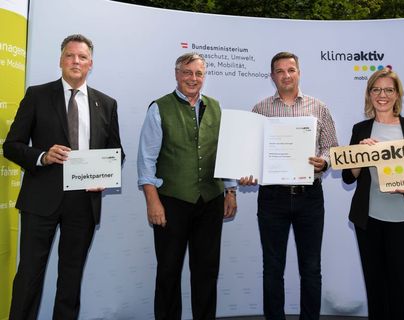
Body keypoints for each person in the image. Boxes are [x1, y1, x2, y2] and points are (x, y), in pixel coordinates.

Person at [3, 34, 124, 319]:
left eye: (82, 57)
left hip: (83, 203)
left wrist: (104, 177)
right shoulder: (37, 95)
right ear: (60, 60)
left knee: (71, 279)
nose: (75, 61)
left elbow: (117, 153)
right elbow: (11, 145)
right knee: (29, 275)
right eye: (70, 55)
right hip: (40, 201)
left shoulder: (106, 104)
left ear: (90, 63)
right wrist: (42, 156)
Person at [137, 52, 237, 320]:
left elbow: (224, 153)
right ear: (177, 74)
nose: (193, 78)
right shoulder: (159, 107)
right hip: (171, 201)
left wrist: (230, 190)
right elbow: (146, 159)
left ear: (204, 77)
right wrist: (152, 200)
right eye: (187, 72)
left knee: (206, 271)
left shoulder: (216, 107)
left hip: (211, 200)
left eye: (199, 73)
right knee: (169, 270)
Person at [241, 52, 338, 320]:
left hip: (310, 197)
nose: (286, 75)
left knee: (311, 268)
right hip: (272, 198)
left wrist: (325, 162)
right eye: (280, 71)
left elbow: (332, 147)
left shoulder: (319, 108)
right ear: (272, 76)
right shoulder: (260, 110)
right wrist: (247, 171)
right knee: (272, 268)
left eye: (291, 70)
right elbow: (250, 152)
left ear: (299, 72)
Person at [341, 67, 404, 320]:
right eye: (376, 89)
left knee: (403, 291)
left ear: (397, 95)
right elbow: (348, 177)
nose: (382, 95)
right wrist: (359, 155)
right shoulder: (361, 130)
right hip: (369, 221)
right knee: (376, 290)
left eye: (388, 90)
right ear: (369, 94)